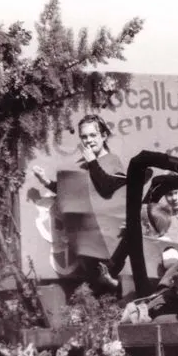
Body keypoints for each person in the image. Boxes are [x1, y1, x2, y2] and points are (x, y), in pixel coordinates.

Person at [33, 114, 127, 291]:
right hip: (89, 243)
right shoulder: (85, 164)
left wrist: (92, 161)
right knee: (96, 291)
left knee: (111, 290)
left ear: (104, 136)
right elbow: (73, 193)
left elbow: (106, 188)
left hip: (111, 244)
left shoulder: (112, 162)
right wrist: (46, 181)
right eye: (84, 137)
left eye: (93, 135)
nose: (89, 141)